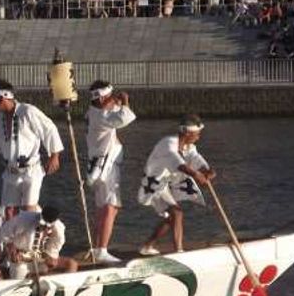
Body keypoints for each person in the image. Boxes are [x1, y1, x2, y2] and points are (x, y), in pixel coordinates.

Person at [138, 114, 216, 256]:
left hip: (166, 185)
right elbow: (178, 163)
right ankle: (179, 251)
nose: (199, 137)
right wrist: (196, 175)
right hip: (154, 183)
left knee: (170, 219)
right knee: (177, 213)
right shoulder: (168, 143)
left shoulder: (189, 146)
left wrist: (207, 171)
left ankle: (147, 246)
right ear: (187, 133)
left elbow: (196, 159)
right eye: (197, 134)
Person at [0, 79, 63, 214]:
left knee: (28, 209)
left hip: (31, 169)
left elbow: (49, 129)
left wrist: (54, 156)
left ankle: (31, 233)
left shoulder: (27, 111)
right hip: (11, 170)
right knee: (9, 211)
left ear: (3, 98)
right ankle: (12, 235)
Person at [85, 80, 136, 264]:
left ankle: (96, 246)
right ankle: (102, 250)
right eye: (110, 96)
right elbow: (127, 117)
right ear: (104, 97)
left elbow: (112, 111)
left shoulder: (93, 113)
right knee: (110, 207)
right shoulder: (102, 117)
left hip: (96, 166)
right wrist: (125, 102)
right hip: (106, 167)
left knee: (101, 208)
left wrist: (114, 102)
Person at [0, 206, 77, 280]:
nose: (45, 228)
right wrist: (12, 250)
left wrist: (51, 258)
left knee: (71, 264)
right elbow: (4, 233)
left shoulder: (59, 230)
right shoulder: (23, 220)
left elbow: (52, 252)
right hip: (21, 257)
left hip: (41, 257)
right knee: (18, 279)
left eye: (48, 227)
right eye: (43, 225)